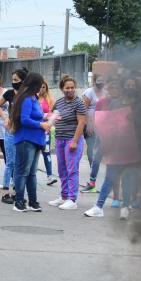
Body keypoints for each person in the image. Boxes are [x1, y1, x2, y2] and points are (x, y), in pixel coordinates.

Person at [84, 77, 141, 220]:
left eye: (132, 85)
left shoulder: (136, 104)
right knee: (110, 177)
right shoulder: (111, 104)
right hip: (115, 146)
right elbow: (106, 124)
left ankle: (125, 207)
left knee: (127, 178)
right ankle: (99, 206)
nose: (129, 88)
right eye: (127, 85)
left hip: (131, 146)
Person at [8, 72, 50, 212]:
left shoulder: (33, 97)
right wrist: (41, 124)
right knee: (23, 172)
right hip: (26, 139)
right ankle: (19, 201)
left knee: (31, 173)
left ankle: (33, 201)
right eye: (40, 85)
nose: (41, 87)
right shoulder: (26, 98)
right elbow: (24, 119)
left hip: (36, 139)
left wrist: (46, 117)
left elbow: (35, 116)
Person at [48, 76, 88, 209]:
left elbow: (82, 122)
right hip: (60, 139)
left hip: (72, 139)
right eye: (67, 88)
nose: (70, 90)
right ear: (62, 89)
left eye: (72, 87)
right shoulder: (59, 102)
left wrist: (75, 141)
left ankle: (72, 199)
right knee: (62, 169)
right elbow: (53, 117)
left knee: (72, 170)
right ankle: (64, 196)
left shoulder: (79, 103)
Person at [82, 74, 107, 192]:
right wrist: (88, 124)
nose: (100, 82)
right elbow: (84, 109)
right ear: (94, 81)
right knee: (92, 149)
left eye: (102, 80)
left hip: (104, 126)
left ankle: (94, 175)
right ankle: (93, 176)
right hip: (91, 126)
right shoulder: (89, 92)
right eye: (98, 80)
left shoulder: (106, 92)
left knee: (100, 151)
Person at [38, 78, 56, 186]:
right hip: (34, 129)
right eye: (40, 87)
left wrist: (48, 122)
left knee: (46, 152)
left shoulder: (50, 100)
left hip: (46, 131)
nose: (41, 89)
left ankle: (49, 176)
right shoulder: (32, 99)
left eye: (43, 87)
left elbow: (53, 115)